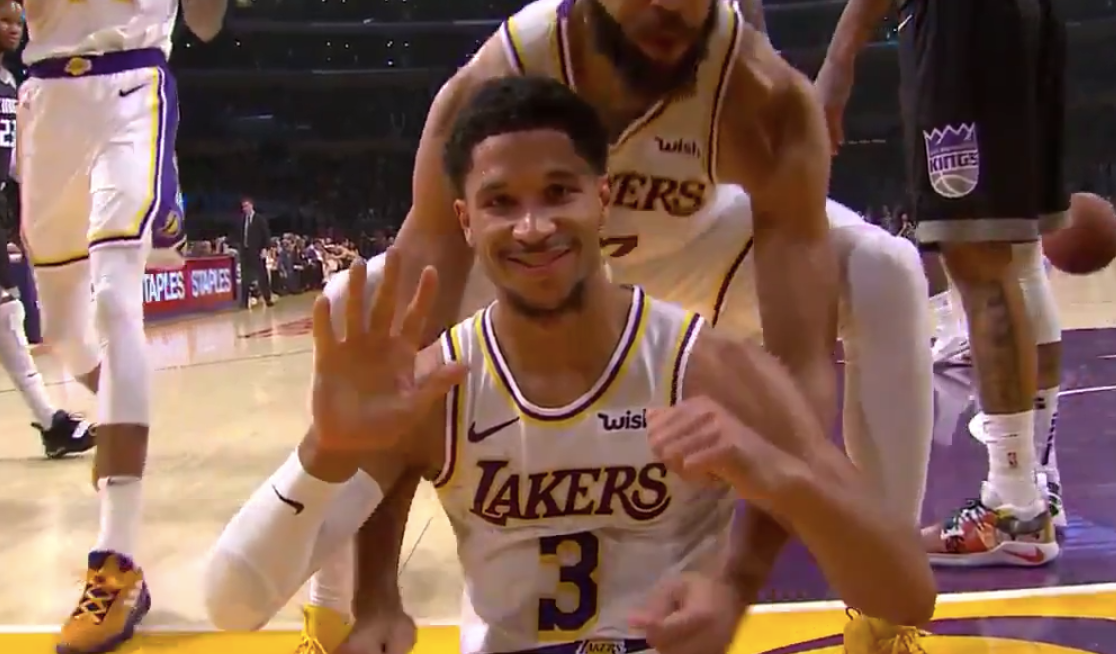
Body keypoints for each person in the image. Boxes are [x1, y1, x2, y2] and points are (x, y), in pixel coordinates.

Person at [203, 77, 937, 654]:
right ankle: (329, 621)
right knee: (355, 305)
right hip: (510, 625)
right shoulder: (444, 381)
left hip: (698, 245)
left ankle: (876, 633)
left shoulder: (709, 368)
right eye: (501, 202)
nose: (530, 223)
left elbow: (905, 591)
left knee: (886, 267)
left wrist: (771, 490)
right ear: (467, 217)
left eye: (557, 192)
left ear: (603, 197)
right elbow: (229, 603)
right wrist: (329, 463)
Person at [0, 0, 226, 649]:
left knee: (114, 301)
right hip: (46, 101)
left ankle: (117, 560)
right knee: (64, 336)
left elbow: (208, 24)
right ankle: (115, 419)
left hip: (133, 86)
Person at [816, 0, 1065, 564]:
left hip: (961, 29)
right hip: (1033, 21)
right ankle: (1035, 487)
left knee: (977, 261)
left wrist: (840, 55)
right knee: (1020, 259)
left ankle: (1016, 506)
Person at [0, 4, 95, 463]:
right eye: (3, 20)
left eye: (19, 22)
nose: (14, 30)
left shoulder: (10, 82)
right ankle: (51, 422)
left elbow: (12, 159)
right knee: (6, 307)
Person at [237, 197, 275, 307]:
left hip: (257, 251)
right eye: (243, 207)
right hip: (245, 252)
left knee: (262, 275)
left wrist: (265, 248)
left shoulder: (260, 219)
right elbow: (239, 235)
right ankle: (244, 302)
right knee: (245, 277)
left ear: (252, 206)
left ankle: (267, 298)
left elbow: (266, 235)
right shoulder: (241, 220)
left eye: (247, 206)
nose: (245, 208)